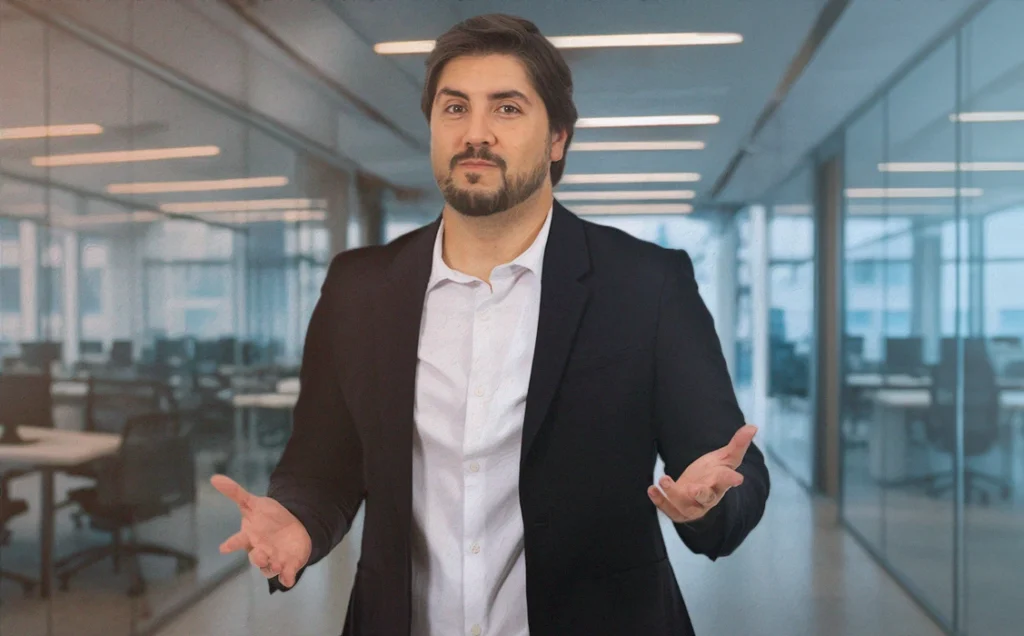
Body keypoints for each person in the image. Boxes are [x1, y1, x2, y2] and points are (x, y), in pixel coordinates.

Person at [211, 13, 769, 636]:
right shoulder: (358, 287)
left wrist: (707, 504)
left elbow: (732, 468)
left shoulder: (646, 285)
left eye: (507, 109)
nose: (475, 133)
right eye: (455, 108)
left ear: (557, 138)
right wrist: (300, 520)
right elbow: (323, 465)